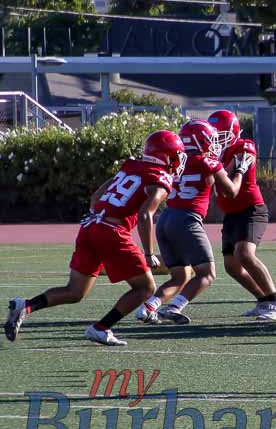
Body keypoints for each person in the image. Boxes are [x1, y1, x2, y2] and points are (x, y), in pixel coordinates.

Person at [5, 131, 185, 346]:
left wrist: (103, 217)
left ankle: (25, 306)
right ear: (166, 157)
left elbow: (95, 197)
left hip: (90, 226)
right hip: (111, 231)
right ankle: (101, 328)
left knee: (75, 291)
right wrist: (148, 253)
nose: (178, 160)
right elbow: (145, 215)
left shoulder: (131, 166)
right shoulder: (162, 177)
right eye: (176, 155)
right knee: (145, 288)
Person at [135, 120, 246, 325]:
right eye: (211, 139)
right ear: (200, 140)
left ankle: (148, 307)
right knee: (207, 274)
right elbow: (231, 191)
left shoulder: (176, 160)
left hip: (166, 218)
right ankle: (175, 307)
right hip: (187, 220)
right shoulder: (209, 162)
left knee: (180, 276)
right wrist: (240, 170)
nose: (214, 144)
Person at [208, 110, 276, 320]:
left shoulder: (243, 146)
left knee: (244, 254)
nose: (217, 139)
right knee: (231, 266)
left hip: (251, 210)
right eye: (214, 135)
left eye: (221, 134)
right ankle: (263, 301)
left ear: (233, 132)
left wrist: (212, 165)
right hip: (231, 213)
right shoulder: (215, 153)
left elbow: (231, 170)